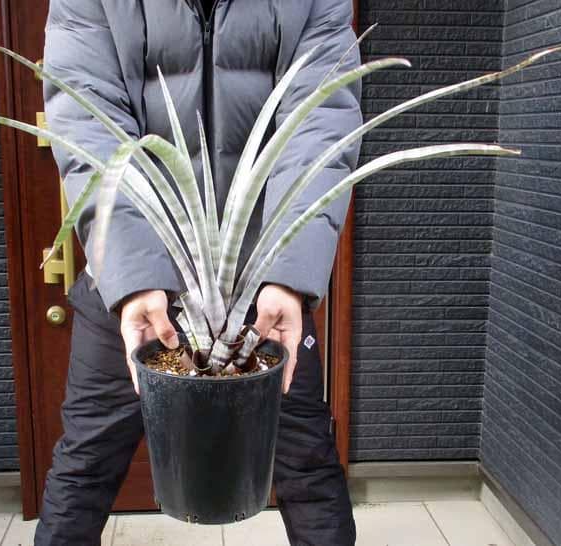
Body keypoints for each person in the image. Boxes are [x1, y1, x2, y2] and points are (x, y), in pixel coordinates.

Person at [35, 0, 362, 544]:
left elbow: (321, 118)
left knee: (307, 466)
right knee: (85, 466)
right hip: (133, 290)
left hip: (261, 288)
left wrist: (288, 271)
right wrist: (134, 278)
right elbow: (88, 119)